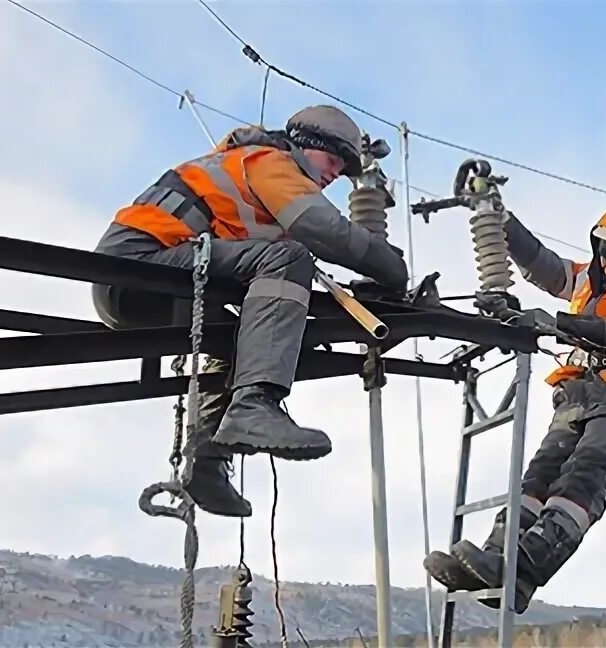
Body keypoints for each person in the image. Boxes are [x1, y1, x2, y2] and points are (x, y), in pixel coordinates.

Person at [90, 105, 408, 518]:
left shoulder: (256, 182)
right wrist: (391, 269)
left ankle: (205, 464)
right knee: (290, 258)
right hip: (138, 268)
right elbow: (325, 230)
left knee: (248, 339)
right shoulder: (270, 162)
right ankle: (255, 405)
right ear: (307, 147)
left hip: (150, 283)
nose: (334, 175)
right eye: (333, 161)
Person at [423, 197, 606, 613]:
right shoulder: (590, 277)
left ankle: (525, 571)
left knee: (581, 481)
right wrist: (502, 221)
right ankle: (494, 559)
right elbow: (544, 265)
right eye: (605, 254)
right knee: (538, 479)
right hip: (579, 394)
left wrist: (555, 323)